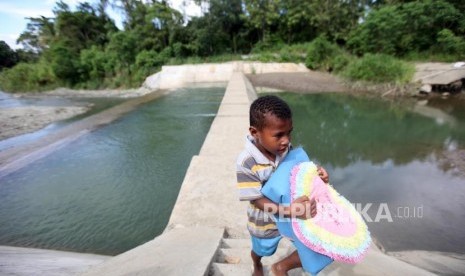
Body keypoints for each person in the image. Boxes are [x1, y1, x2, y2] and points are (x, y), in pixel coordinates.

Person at [236, 95, 329, 276]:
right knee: (262, 250)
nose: (286, 140)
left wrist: (318, 174)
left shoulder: (284, 148)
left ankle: (281, 267)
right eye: (278, 135)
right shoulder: (247, 162)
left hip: (294, 214)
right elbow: (256, 200)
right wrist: (290, 210)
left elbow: (298, 171)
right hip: (264, 221)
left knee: (317, 242)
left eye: (289, 132)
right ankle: (256, 264)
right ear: (255, 132)